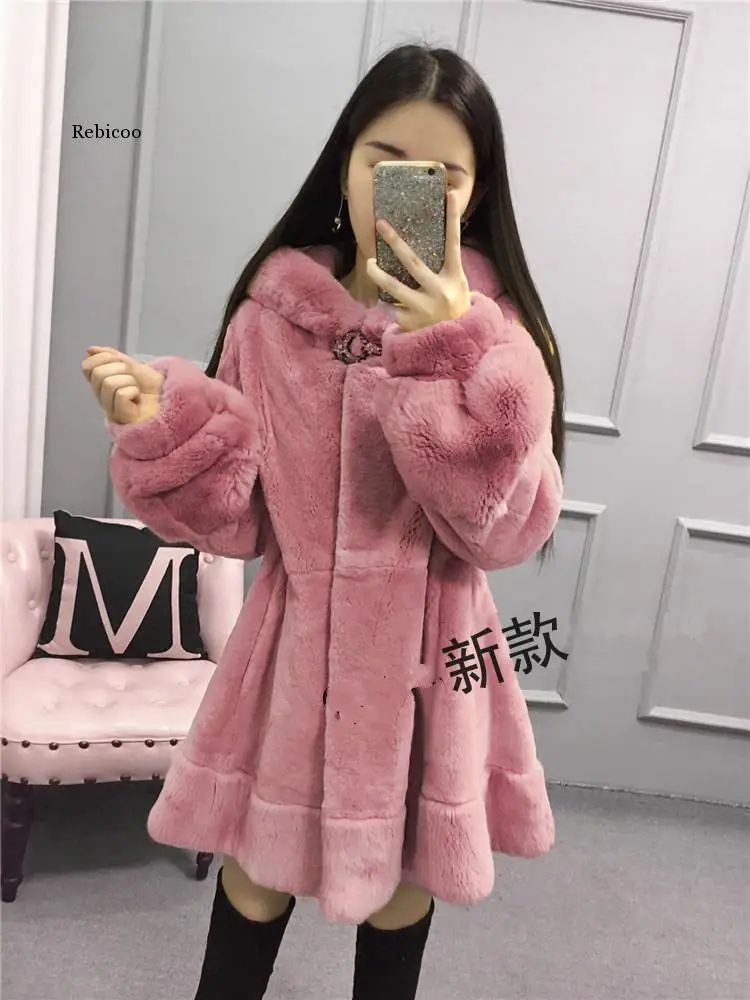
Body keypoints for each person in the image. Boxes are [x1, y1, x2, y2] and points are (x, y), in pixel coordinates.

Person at [82, 42, 565, 1000]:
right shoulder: (272, 319)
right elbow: (242, 520)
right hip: (296, 649)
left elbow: (504, 533)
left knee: (401, 897)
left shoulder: (502, 338)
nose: (408, 186)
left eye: (441, 173)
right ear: (345, 162)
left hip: (434, 658)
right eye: (383, 158)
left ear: (474, 192)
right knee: (254, 883)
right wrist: (164, 427)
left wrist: (448, 348)